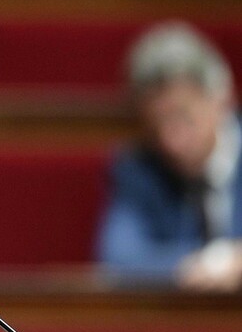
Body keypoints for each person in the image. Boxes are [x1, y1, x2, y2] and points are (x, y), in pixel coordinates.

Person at [96, 20, 242, 292]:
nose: (170, 141)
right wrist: (211, 263)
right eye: (156, 125)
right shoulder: (138, 168)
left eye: (184, 117)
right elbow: (119, 260)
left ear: (222, 99)